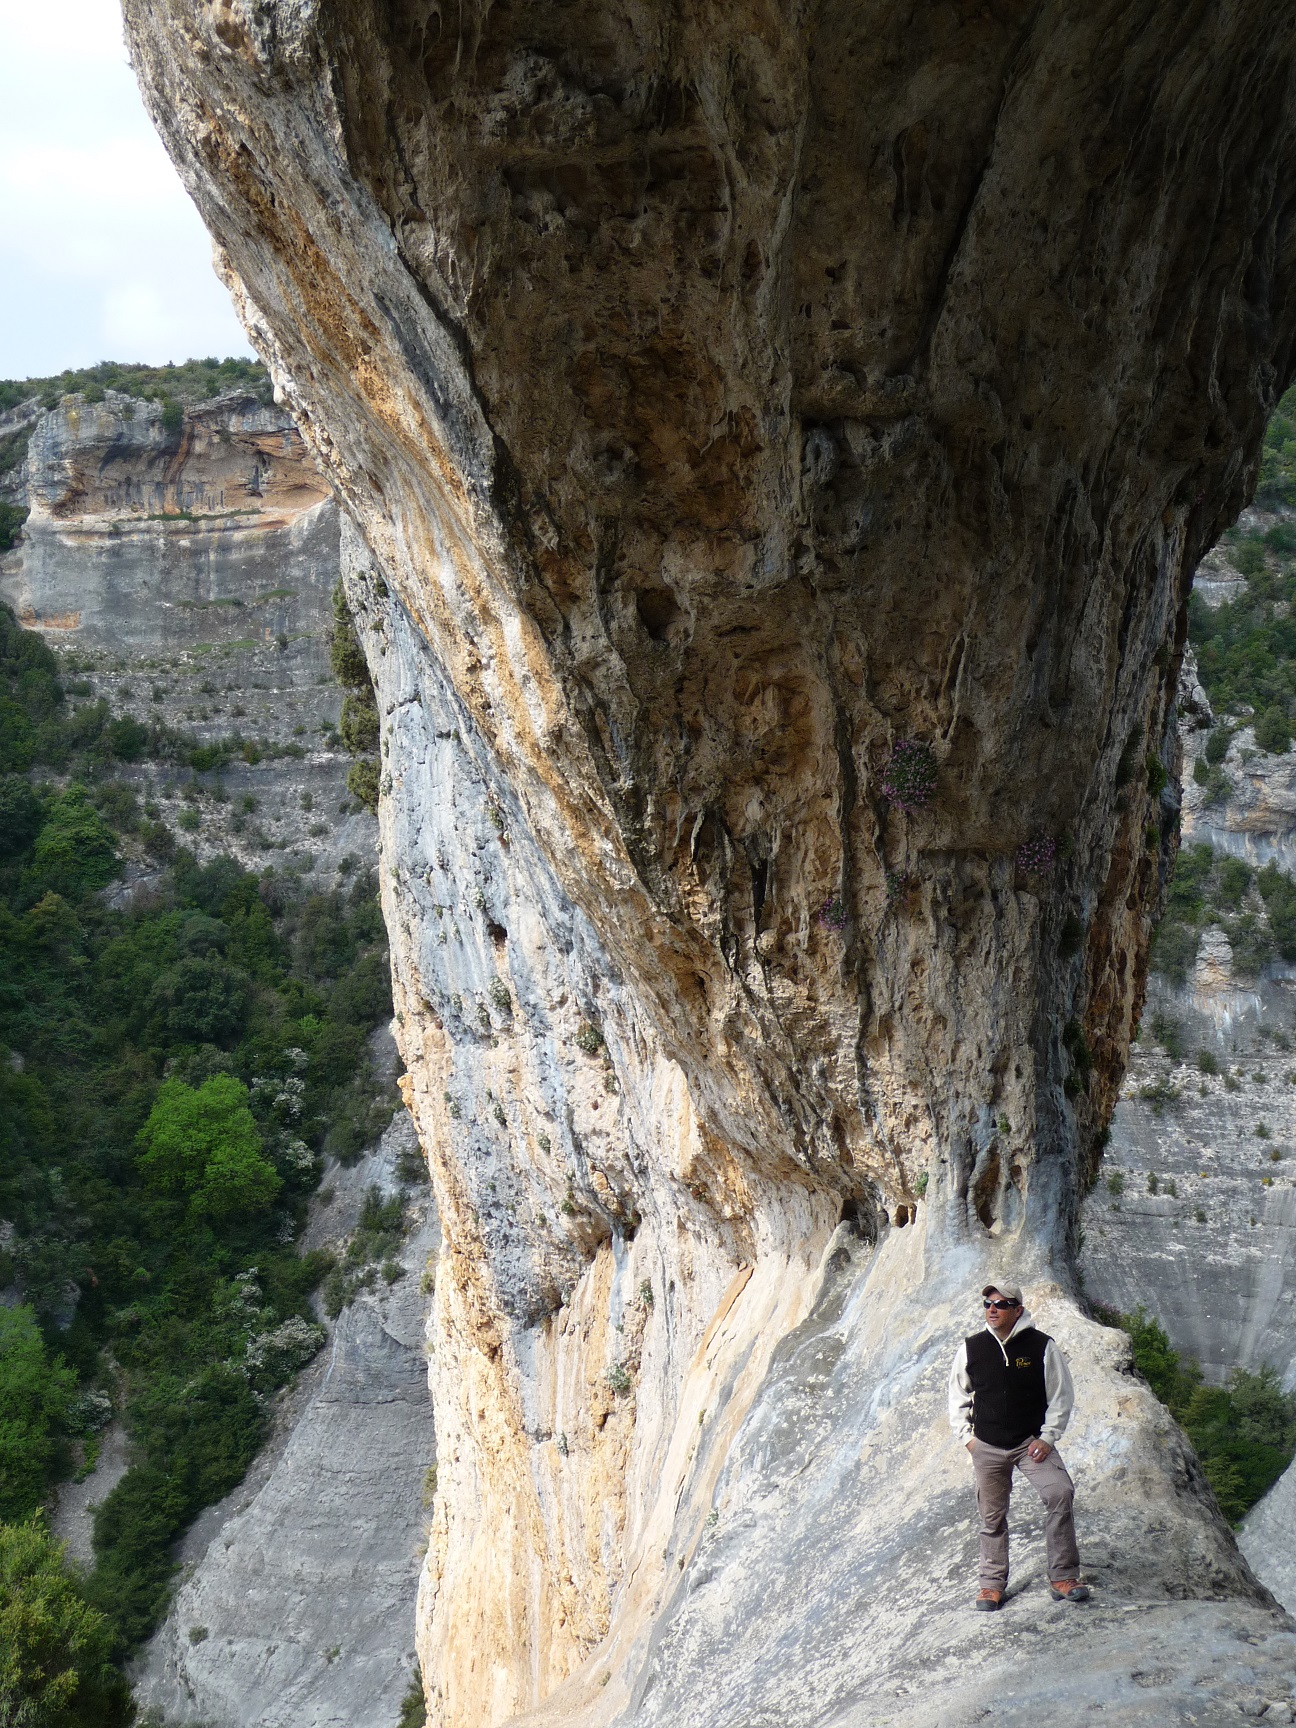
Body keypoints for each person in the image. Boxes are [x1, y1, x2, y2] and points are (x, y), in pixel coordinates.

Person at [948, 1280, 1088, 1611]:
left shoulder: (1042, 1346)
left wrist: (1047, 1437)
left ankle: (1063, 1578)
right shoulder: (972, 1347)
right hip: (987, 1445)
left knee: (1060, 1492)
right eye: (988, 1304)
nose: (992, 1309)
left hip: (1029, 1444)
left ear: (1018, 1310)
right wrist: (968, 1439)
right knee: (992, 1516)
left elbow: (1061, 1395)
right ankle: (991, 1585)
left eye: (1001, 1304)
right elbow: (957, 1395)